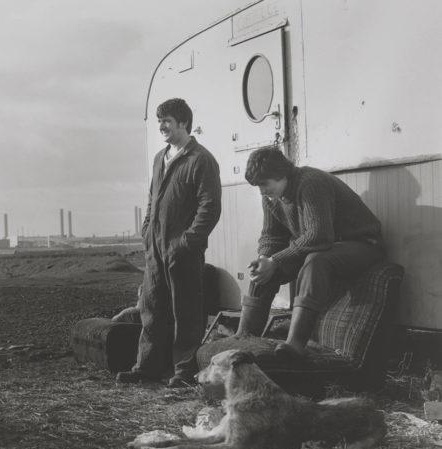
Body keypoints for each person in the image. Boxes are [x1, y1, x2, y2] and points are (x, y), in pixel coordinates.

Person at [237, 146, 385, 357]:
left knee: (316, 261)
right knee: (261, 270)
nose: (261, 191)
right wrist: (264, 258)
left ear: (281, 175)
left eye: (264, 184)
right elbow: (272, 236)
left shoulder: (311, 182)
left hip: (362, 244)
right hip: (327, 245)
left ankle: (294, 346)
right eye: (257, 186)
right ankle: (244, 338)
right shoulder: (271, 196)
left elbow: (319, 236)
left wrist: (276, 260)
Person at [116, 98, 222, 387]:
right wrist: (147, 229)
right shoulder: (159, 158)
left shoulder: (201, 160)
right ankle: (147, 368)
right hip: (156, 248)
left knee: (186, 312)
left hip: (183, 251)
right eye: (159, 120)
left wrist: (187, 242)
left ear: (183, 123)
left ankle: (184, 372)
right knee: (151, 307)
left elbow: (209, 208)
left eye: (167, 121)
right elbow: (152, 199)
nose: (161, 126)